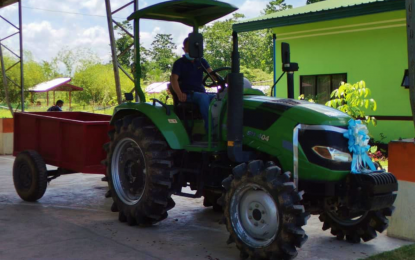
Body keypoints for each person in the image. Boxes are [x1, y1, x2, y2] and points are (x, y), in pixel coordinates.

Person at [170, 38, 216, 132]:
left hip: (201, 93)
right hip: (188, 94)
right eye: (187, 48)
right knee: (203, 98)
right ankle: (211, 132)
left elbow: (212, 75)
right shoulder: (179, 63)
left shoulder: (201, 61)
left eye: (192, 48)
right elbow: (174, 79)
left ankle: (224, 128)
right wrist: (179, 93)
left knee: (222, 97)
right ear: (184, 49)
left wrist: (226, 80)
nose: (189, 50)